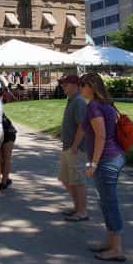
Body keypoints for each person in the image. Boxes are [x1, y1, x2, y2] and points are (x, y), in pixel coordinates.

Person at [78, 73, 126, 262]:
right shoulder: (107, 104)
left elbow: (101, 136)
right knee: (106, 201)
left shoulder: (94, 106)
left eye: (83, 84)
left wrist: (93, 163)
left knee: (109, 203)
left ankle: (116, 248)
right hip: (114, 157)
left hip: (106, 159)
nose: (80, 88)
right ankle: (110, 242)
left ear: (92, 86)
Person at [58, 75, 89, 222]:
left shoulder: (79, 102)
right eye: (63, 84)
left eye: (66, 84)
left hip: (76, 149)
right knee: (66, 179)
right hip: (68, 147)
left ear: (75, 85)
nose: (63, 86)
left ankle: (82, 211)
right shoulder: (71, 100)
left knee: (78, 181)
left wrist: (75, 146)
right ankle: (77, 207)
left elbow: (83, 126)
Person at [0, 112, 17, 190]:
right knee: (0, 159)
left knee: (6, 158)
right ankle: (6, 178)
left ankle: (4, 182)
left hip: (8, 133)